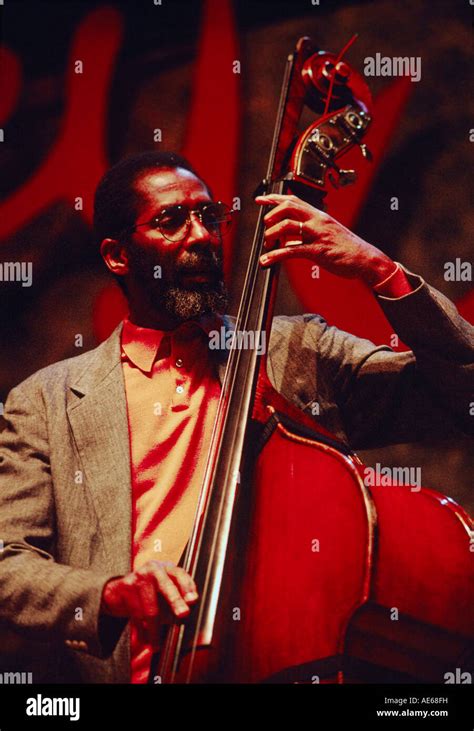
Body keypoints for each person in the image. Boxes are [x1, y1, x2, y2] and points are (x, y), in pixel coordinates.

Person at [0, 151, 472, 684]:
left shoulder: (296, 350)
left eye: (208, 215)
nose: (200, 235)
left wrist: (378, 270)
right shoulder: (46, 401)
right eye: (171, 221)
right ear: (117, 256)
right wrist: (111, 593)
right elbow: (8, 566)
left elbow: (461, 394)